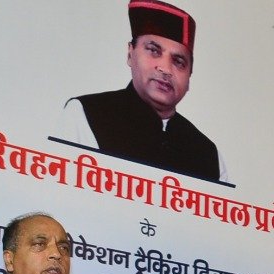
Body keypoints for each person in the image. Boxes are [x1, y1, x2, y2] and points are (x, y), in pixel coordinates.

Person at [53, 0, 227, 183]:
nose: (166, 69)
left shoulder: (208, 154)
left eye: (178, 61)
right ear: (130, 54)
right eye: (154, 51)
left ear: (190, 75)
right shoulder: (85, 115)